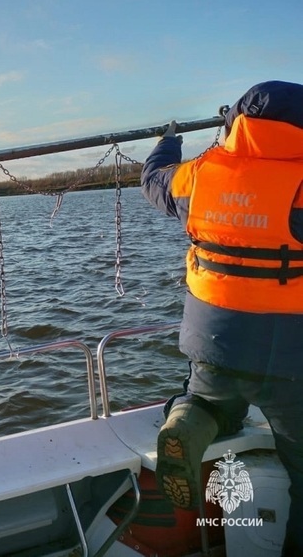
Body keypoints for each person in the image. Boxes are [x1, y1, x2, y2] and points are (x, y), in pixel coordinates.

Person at [141, 80, 303, 556]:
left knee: (214, 400)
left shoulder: (201, 174)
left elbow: (154, 181)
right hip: (294, 358)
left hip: (215, 344)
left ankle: (192, 419)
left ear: (235, 123)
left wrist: (169, 141)